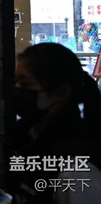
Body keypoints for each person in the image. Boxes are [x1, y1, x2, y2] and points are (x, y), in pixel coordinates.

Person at [7, 43, 101, 204]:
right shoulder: (27, 137)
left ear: (61, 92)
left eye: (26, 83)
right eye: (16, 81)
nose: (16, 89)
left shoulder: (76, 170)